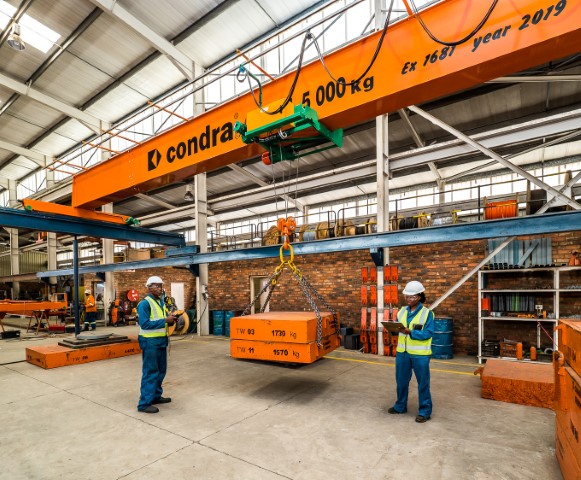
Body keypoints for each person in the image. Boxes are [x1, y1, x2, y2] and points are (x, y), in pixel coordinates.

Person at [388, 280, 435, 423]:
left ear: (420, 296)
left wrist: (410, 332)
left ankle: (425, 411)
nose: (408, 299)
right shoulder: (401, 311)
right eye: (407, 296)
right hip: (403, 353)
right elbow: (398, 329)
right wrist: (392, 329)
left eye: (412, 297)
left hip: (420, 355)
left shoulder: (428, 314)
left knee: (423, 383)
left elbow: (428, 333)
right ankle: (400, 406)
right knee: (401, 382)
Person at [136, 276, 178, 414]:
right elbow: (145, 324)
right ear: (148, 287)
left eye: (161, 286)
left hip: (160, 341)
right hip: (150, 343)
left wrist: (170, 320)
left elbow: (161, 320)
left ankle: (155, 396)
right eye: (156, 286)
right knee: (150, 372)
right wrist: (165, 320)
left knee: (161, 371)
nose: (159, 288)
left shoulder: (160, 302)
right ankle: (144, 403)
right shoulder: (144, 304)